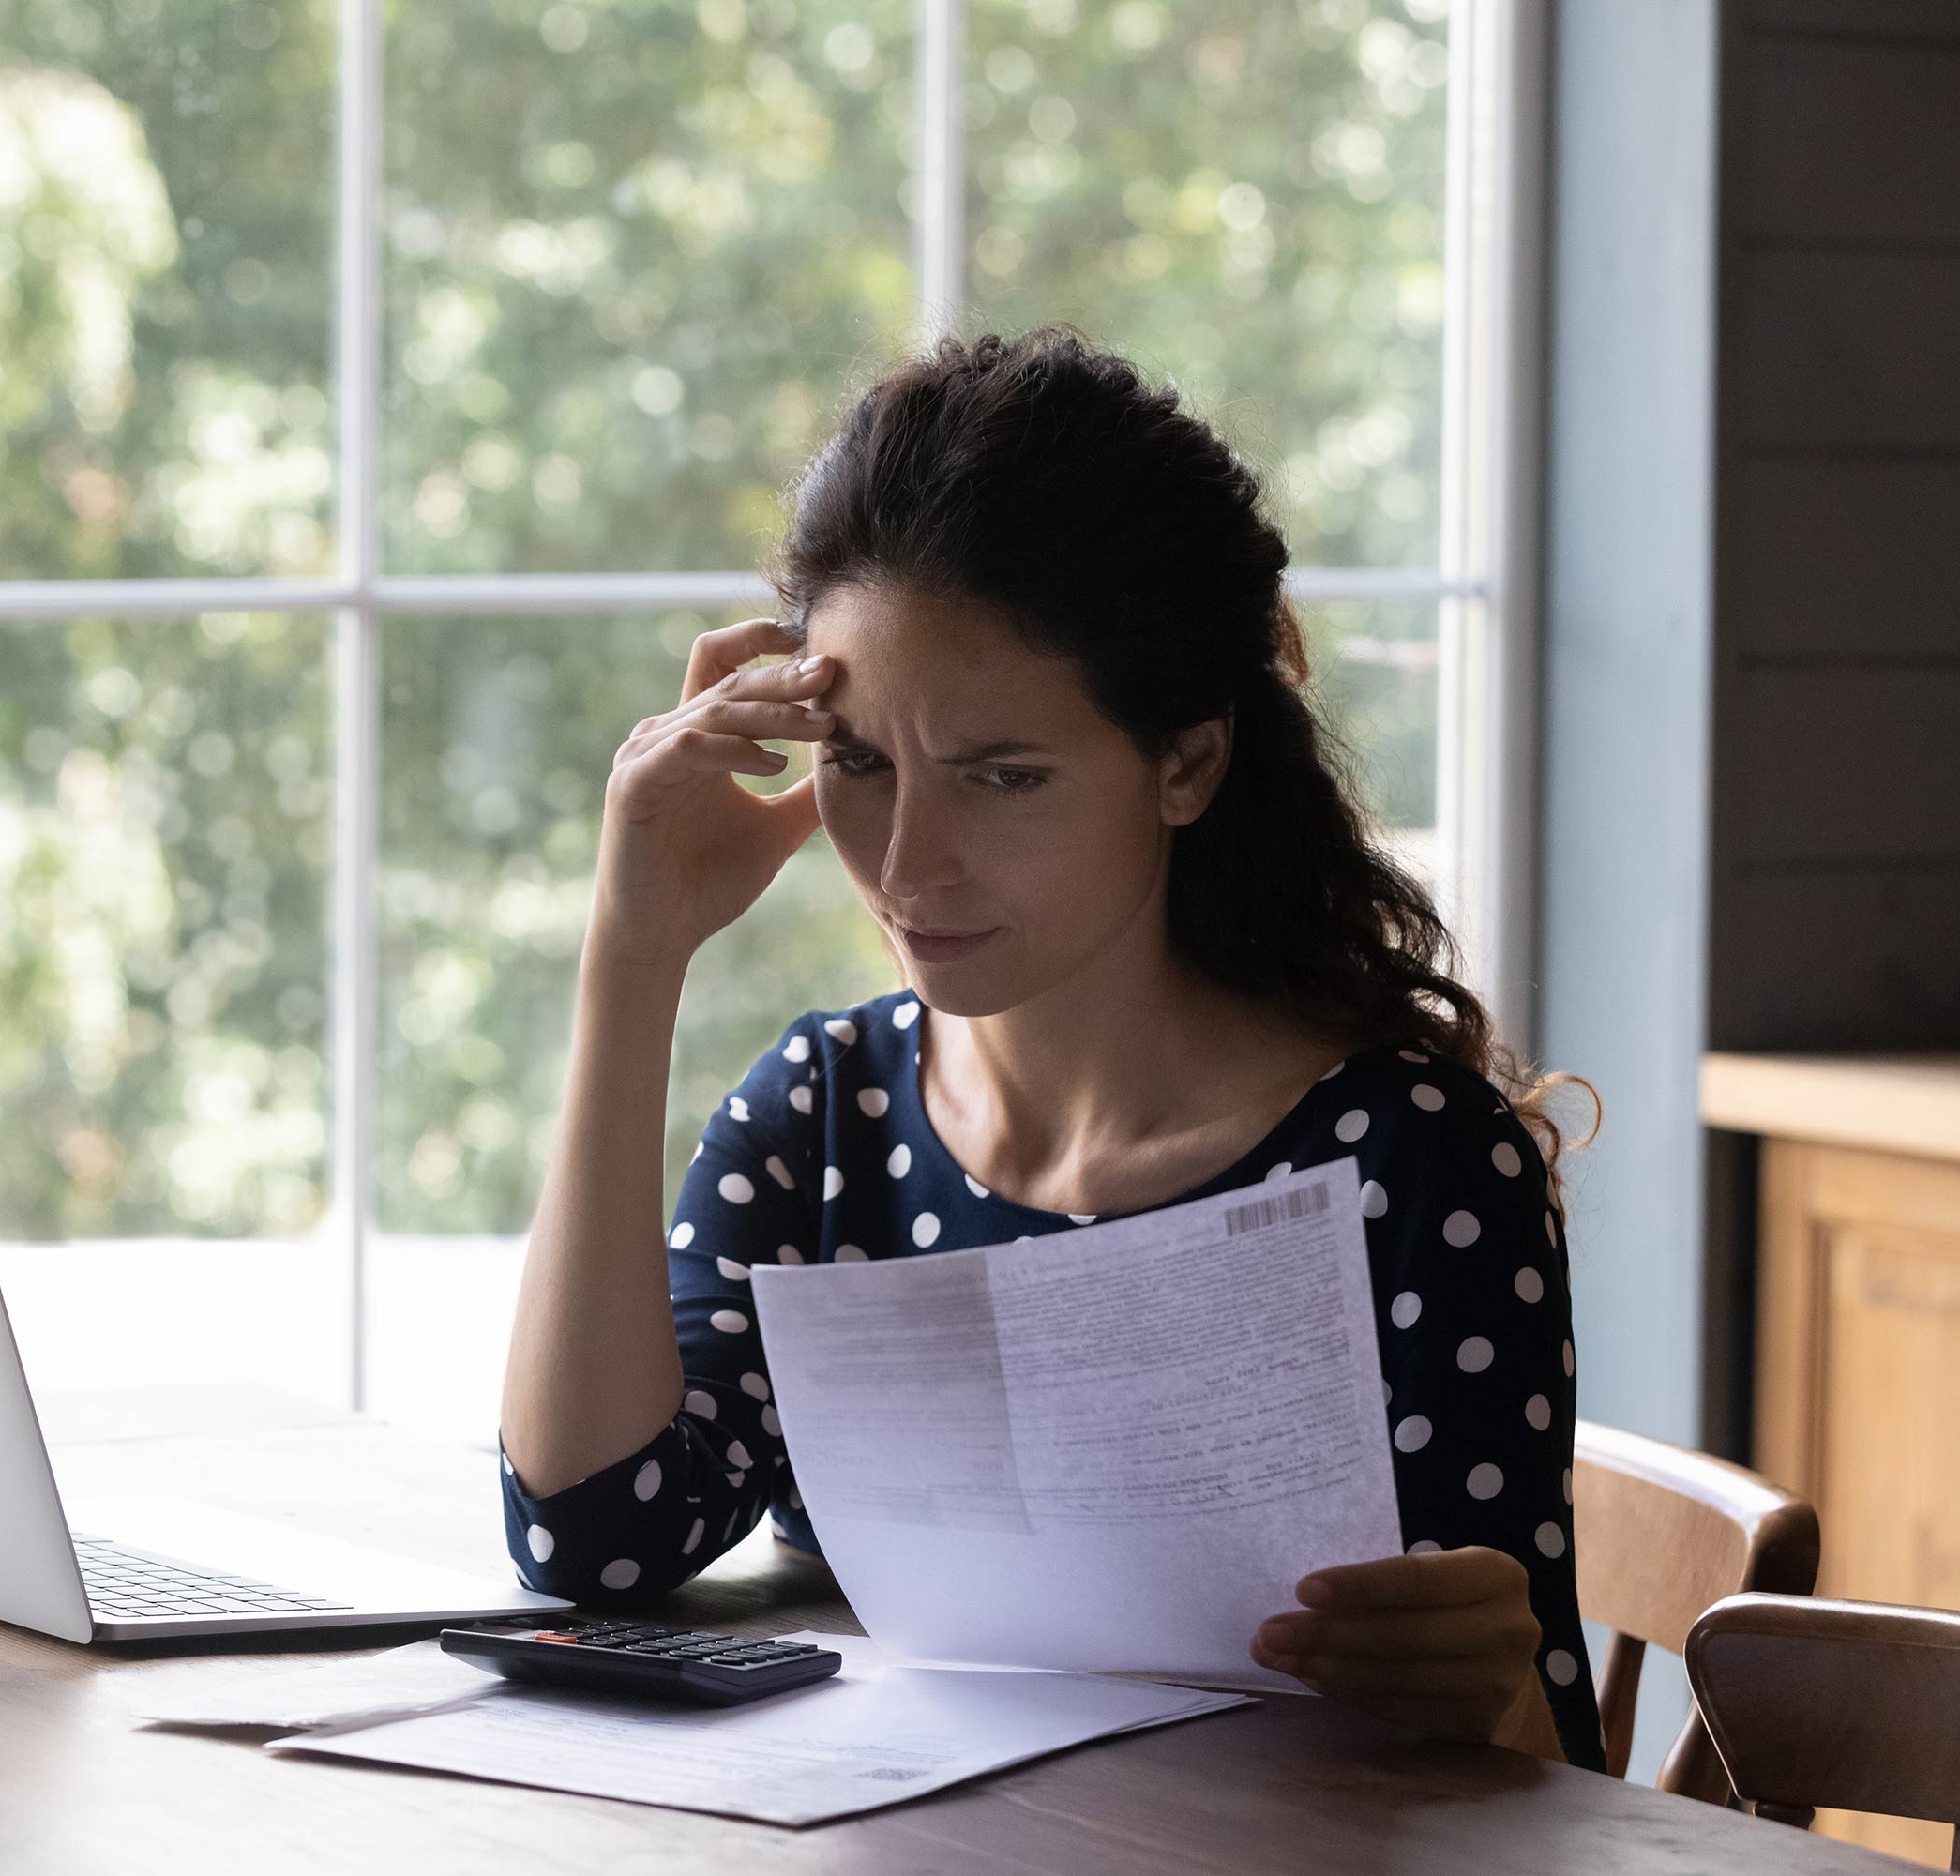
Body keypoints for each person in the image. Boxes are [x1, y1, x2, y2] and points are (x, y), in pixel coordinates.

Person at [493, 326, 1604, 1770]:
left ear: (1187, 763)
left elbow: (1551, 1761)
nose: (907, 864)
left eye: (1002, 778)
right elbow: (590, 1536)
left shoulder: (1410, 1160)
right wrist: (632, 955)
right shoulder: (821, 1122)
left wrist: (1489, 1684)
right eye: (859, 765)